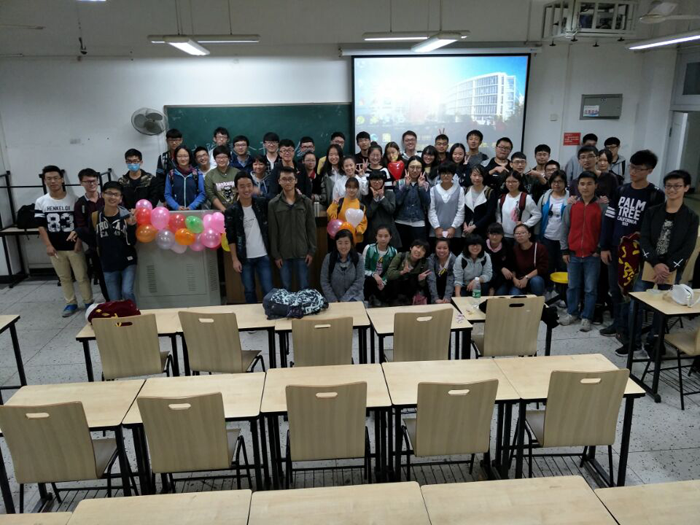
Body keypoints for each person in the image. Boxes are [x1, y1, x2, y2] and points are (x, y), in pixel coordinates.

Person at [627, 170, 699, 354]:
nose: (672, 190)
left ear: (686, 188)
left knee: (663, 307)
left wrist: (668, 267)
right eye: (669, 186)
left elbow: (688, 247)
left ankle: (654, 342)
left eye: (677, 186)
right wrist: (655, 263)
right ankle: (633, 341)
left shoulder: (691, 217)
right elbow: (644, 239)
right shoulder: (653, 211)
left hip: (671, 269)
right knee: (636, 303)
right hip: (650, 265)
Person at [599, 149, 665, 346]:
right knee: (616, 289)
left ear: (650, 170)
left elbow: (655, 228)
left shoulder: (655, 195)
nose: (633, 172)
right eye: (632, 167)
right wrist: (604, 246)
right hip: (615, 248)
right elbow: (609, 219)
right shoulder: (621, 190)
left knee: (633, 294)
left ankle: (631, 334)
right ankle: (618, 324)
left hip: (638, 253)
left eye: (639, 169)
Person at [35, 165, 93, 317]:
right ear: (44, 181)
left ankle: (88, 302)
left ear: (62, 179)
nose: (53, 181)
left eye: (56, 178)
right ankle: (70, 303)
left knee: (82, 276)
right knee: (64, 277)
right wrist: (48, 245)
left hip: (74, 246)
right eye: (49, 179)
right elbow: (41, 226)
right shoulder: (41, 201)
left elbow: (80, 224)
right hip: (55, 247)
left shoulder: (74, 199)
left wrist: (79, 242)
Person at [559, 172, 606, 332]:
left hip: (592, 255)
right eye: (582, 184)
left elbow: (605, 231)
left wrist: (599, 248)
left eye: (589, 183)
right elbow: (564, 228)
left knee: (590, 288)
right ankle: (572, 313)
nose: (585, 187)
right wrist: (564, 249)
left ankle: (587, 317)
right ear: (578, 186)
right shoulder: (571, 206)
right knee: (572, 286)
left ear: (596, 186)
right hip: (573, 254)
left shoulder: (602, 207)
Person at [224, 172, 273, 304]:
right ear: (236, 189)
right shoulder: (231, 211)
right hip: (244, 258)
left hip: (263, 255)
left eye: (249, 185)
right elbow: (231, 237)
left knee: (268, 289)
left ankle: (270, 312)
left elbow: (274, 200)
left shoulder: (262, 203)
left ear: (253, 186)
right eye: (242, 186)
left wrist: (261, 192)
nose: (246, 189)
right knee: (249, 290)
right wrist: (234, 259)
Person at [88, 181, 138, 304]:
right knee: (114, 299)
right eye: (109, 193)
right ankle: (118, 316)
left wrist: (131, 226)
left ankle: (133, 313)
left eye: (116, 194)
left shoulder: (127, 216)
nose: (113, 197)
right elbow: (92, 238)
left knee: (127, 292)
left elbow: (132, 242)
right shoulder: (95, 217)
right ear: (103, 195)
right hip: (108, 264)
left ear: (120, 198)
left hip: (128, 261)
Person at [268, 166, 316, 291]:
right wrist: (276, 255)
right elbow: (273, 232)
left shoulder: (306, 202)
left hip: (303, 252)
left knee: (304, 288)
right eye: (284, 179)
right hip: (283, 254)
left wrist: (311, 251)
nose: (287, 182)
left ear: (296, 180)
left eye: (290, 179)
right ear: (279, 181)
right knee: (286, 289)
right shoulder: (273, 204)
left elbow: (311, 228)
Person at [74, 168, 108, 301]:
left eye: (94, 180)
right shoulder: (80, 204)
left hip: (112, 244)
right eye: (87, 181)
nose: (92, 184)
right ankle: (109, 301)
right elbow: (81, 226)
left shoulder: (106, 198)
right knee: (102, 276)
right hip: (95, 246)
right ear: (81, 183)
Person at [538, 170, 569, 295]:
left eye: (560, 181)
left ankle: (561, 295)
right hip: (547, 237)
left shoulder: (571, 198)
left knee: (562, 267)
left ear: (565, 183)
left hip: (564, 240)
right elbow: (538, 216)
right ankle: (548, 291)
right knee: (548, 266)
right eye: (554, 181)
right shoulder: (545, 197)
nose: (557, 184)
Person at [428, 162, 465, 254]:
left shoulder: (460, 190)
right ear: (439, 174)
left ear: (453, 174)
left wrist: (453, 227)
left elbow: (461, 211)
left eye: (449, 173)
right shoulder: (433, 190)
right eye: (443, 173)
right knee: (436, 256)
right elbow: (431, 210)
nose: (446, 176)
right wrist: (436, 227)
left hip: (454, 232)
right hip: (436, 231)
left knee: (453, 256)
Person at [394, 155, 431, 249]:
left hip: (418, 222)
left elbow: (427, 203)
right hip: (401, 221)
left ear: (422, 169)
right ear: (407, 168)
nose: (415, 170)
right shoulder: (400, 183)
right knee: (401, 252)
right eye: (412, 167)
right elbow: (398, 201)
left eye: (418, 167)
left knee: (418, 251)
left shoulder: (426, 184)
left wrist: (421, 187)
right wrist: (406, 186)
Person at [320, 229, 365, 303]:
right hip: (332, 298)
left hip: (354, 297)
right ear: (336, 243)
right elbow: (324, 281)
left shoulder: (358, 258)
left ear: (351, 243)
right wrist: (333, 300)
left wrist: (344, 299)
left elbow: (360, 281)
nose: (343, 246)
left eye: (346, 243)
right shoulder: (328, 258)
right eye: (340, 243)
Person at [505, 223, 548, 296]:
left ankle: (538, 300)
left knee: (536, 281)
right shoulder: (514, 250)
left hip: (533, 278)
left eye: (523, 233)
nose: (520, 235)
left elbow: (542, 267)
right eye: (517, 233)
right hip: (520, 280)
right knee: (514, 295)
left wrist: (527, 277)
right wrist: (514, 279)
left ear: (529, 235)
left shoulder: (539, 248)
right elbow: (512, 267)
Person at [496, 172, 541, 240]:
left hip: (520, 236)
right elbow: (498, 212)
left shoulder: (526, 197)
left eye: (514, 181)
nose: (510, 184)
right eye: (508, 181)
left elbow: (537, 214)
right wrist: (499, 222)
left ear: (519, 182)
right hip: (504, 235)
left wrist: (526, 225)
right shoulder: (502, 198)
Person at [385, 239, 431, 305]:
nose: (419, 251)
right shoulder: (401, 256)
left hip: (410, 294)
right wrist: (402, 272)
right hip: (394, 291)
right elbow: (389, 275)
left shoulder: (424, 263)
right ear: (411, 248)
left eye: (423, 250)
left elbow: (422, 285)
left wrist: (419, 279)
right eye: (417, 247)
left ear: (424, 255)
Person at [363, 170, 400, 249]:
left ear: (383, 181)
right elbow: (368, 214)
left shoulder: (390, 194)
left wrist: (382, 197)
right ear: (370, 181)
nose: (377, 182)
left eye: (379, 179)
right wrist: (375, 199)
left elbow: (391, 210)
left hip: (389, 231)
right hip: (373, 232)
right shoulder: (366, 197)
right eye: (374, 179)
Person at [362, 226, 398, 306]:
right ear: (376, 236)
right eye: (380, 236)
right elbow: (362, 269)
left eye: (386, 236)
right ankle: (367, 299)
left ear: (390, 237)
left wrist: (383, 281)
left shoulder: (393, 251)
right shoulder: (369, 248)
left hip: (384, 278)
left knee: (394, 279)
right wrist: (374, 274)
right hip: (370, 277)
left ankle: (385, 301)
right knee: (369, 280)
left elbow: (391, 270)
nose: (383, 239)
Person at [327, 178, 368, 246]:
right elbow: (331, 216)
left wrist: (354, 230)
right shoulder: (339, 202)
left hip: (355, 240)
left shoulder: (361, 206)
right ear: (345, 188)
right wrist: (334, 205)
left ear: (357, 189)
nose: (351, 190)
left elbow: (363, 224)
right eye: (349, 187)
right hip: (340, 238)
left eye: (354, 188)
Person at [164, 146, 206, 210]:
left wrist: (192, 206)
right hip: (176, 212)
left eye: (185, 156)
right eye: (179, 156)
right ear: (175, 158)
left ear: (190, 157)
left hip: (194, 212)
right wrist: (176, 207)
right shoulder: (171, 174)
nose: (183, 159)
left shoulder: (197, 174)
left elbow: (202, 194)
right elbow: (167, 194)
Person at [464, 165, 497, 240]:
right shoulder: (466, 190)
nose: (477, 178)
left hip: (483, 230)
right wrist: (464, 224)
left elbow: (489, 214)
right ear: (470, 176)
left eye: (480, 175)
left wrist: (474, 226)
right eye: (474, 175)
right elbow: (463, 211)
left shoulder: (489, 192)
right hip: (467, 230)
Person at [205, 146, 240, 211]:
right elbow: (211, 195)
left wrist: (236, 207)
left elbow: (241, 190)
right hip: (218, 212)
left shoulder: (237, 172)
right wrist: (224, 210)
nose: (221, 160)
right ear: (214, 159)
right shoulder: (210, 175)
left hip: (237, 210)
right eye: (218, 157)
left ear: (229, 158)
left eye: (224, 157)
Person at [484, 223, 514, 296]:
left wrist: (493, 288)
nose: (494, 237)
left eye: (497, 234)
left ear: (502, 235)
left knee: (500, 294)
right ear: (488, 235)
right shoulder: (483, 245)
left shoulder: (507, 246)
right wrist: (501, 268)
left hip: (502, 279)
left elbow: (509, 269)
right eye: (492, 234)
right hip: (486, 276)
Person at [156, 128, 184, 200]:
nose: (174, 143)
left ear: (181, 140)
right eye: (171, 140)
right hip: (169, 195)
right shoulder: (163, 158)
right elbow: (160, 179)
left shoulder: (187, 156)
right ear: (167, 141)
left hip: (185, 194)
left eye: (176, 140)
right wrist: (163, 198)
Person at [426, 238, 456, 304]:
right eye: (439, 248)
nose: (441, 251)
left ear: (449, 249)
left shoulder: (453, 259)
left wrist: (447, 297)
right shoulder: (431, 258)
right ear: (435, 248)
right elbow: (431, 278)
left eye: (445, 248)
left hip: (447, 287)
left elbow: (451, 279)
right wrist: (435, 298)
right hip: (434, 287)